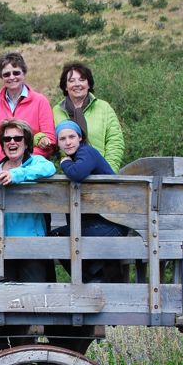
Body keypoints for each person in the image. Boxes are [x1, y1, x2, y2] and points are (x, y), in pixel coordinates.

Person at [51, 120, 126, 282]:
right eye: (62, 139)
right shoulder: (79, 156)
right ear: (58, 142)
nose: (68, 142)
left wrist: (65, 162)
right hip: (102, 224)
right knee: (58, 237)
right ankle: (95, 278)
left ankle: (94, 280)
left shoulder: (86, 152)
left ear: (80, 138)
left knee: (56, 237)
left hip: (113, 225)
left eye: (72, 137)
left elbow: (77, 173)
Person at [0, 119, 55, 282]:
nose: (12, 142)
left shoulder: (36, 162)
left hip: (32, 244)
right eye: (7, 139)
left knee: (33, 296)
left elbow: (49, 168)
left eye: (18, 138)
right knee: (7, 295)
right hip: (1, 244)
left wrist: (16, 174)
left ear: (26, 143)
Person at [52, 62, 125, 173]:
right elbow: (49, 138)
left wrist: (107, 173)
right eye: (71, 81)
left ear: (89, 84)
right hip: (68, 175)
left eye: (82, 80)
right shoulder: (56, 111)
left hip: (100, 176)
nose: (77, 84)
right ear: (65, 86)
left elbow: (115, 141)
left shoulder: (103, 108)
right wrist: (40, 138)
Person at [0, 52, 56, 165]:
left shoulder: (40, 101)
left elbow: (50, 141)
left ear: (24, 73)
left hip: (31, 166)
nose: (12, 77)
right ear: (1, 76)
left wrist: (22, 160)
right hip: (1, 167)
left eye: (16, 73)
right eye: (6, 74)